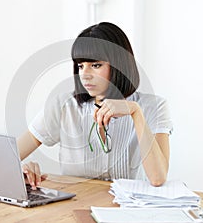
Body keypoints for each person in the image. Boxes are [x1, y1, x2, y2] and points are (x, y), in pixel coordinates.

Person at [17, 22, 173, 190]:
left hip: (126, 211)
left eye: (96, 65)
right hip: (73, 208)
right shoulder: (63, 106)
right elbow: (7, 159)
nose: (85, 75)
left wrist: (135, 112)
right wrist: (22, 170)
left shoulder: (154, 107)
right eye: (81, 66)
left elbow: (158, 178)